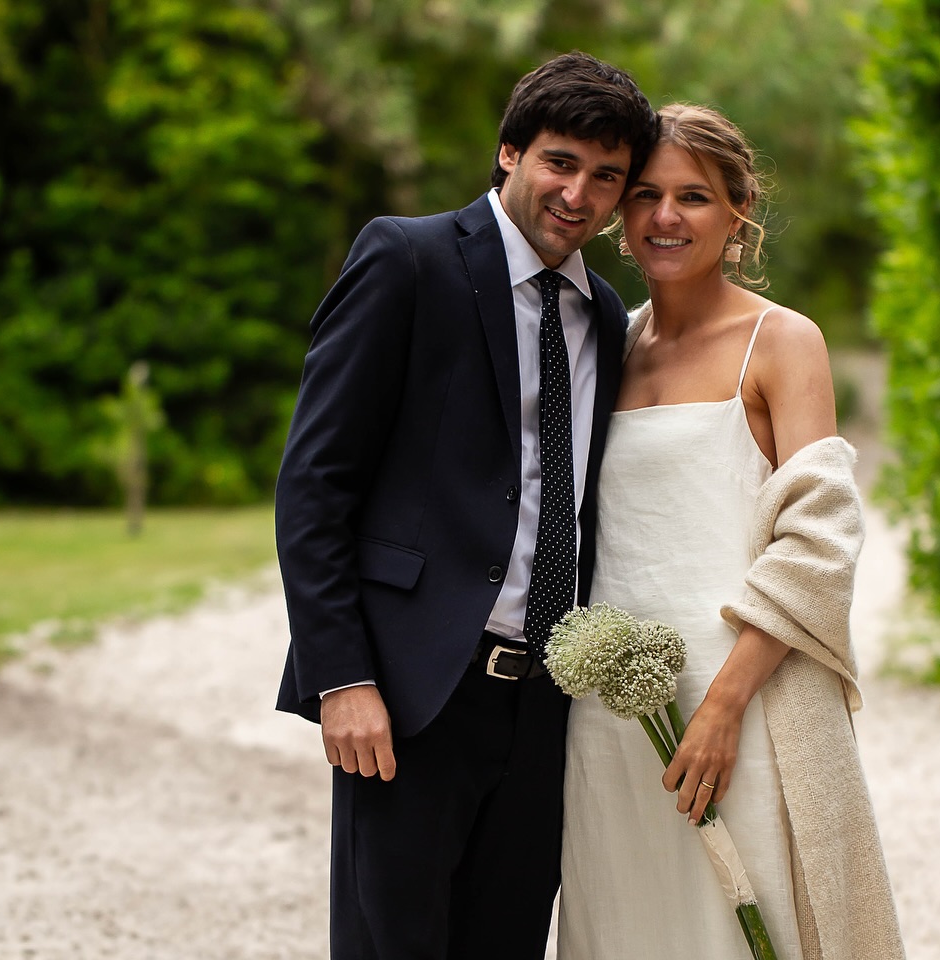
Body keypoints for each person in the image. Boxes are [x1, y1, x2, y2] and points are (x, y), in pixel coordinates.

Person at [272, 53, 657, 959]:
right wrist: (343, 677)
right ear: (509, 153)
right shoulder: (406, 260)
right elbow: (315, 482)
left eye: (608, 177)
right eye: (561, 162)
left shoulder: (602, 314)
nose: (580, 194)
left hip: (544, 706)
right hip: (413, 695)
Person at [558, 104, 905, 959]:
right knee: (631, 923)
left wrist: (723, 705)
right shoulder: (604, 340)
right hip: (612, 710)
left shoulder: (783, 342)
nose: (665, 217)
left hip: (745, 700)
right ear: (619, 213)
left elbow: (819, 539)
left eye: (694, 197)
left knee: (757, 926)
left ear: (737, 211)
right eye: (644, 194)